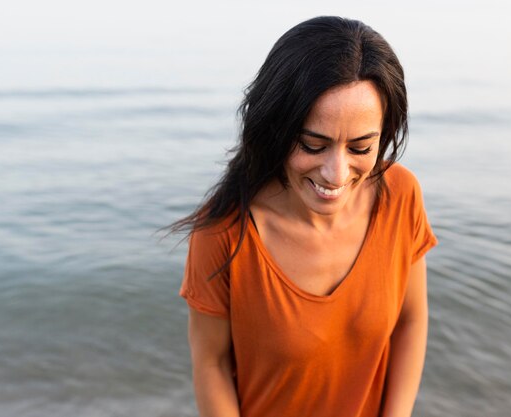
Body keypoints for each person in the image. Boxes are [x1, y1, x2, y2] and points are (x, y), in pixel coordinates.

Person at [171, 16, 438, 417]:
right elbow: (212, 365)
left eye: (361, 148)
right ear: (275, 129)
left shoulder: (399, 194)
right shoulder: (223, 233)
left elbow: (410, 322)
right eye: (313, 145)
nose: (336, 173)